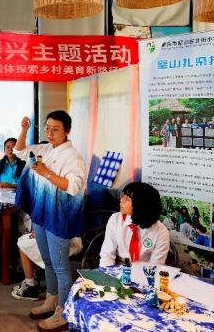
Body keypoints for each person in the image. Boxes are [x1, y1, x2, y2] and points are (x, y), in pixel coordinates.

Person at [14, 111, 86, 332]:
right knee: (47, 261)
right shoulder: (44, 148)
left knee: (61, 266)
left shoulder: (73, 156)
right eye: (47, 128)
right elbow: (19, 151)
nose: (50, 133)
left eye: (56, 129)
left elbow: (73, 187)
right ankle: (51, 300)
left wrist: (46, 173)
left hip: (61, 218)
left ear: (67, 131)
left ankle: (63, 312)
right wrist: (24, 130)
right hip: (42, 215)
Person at [100, 182, 170, 267]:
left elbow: (155, 266)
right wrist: (107, 276)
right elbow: (107, 256)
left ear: (140, 205)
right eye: (123, 196)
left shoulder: (161, 231)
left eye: (127, 199)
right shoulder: (115, 220)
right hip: (117, 268)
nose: (121, 200)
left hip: (145, 272)